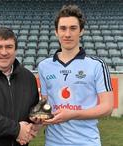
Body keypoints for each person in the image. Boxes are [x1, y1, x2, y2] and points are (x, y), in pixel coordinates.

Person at [37, 4, 114, 146]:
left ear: (81, 31)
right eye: (63, 28)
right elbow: (45, 104)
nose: (67, 34)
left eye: (73, 28)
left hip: (87, 141)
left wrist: (73, 114)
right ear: (56, 32)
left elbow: (107, 107)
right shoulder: (44, 66)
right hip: (53, 141)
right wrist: (36, 121)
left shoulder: (97, 65)